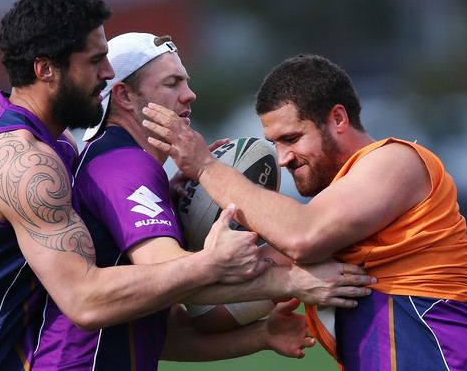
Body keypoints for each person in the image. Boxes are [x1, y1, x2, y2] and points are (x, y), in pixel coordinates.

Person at [0, 0, 274, 370]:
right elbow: (86, 301)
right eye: (94, 61)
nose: (107, 73)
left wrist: (168, 196)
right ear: (46, 68)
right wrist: (214, 264)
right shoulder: (24, 161)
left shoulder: (49, 141)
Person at [32, 34, 376, 370]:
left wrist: (261, 336)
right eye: (172, 84)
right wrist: (292, 281)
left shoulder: (129, 164)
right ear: (124, 95)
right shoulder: (123, 165)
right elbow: (173, 272)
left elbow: (164, 335)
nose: (189, 95)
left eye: (186, 82)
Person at [142, 53, 467, 370]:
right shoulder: (329, 230)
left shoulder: (395, 160)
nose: (283, 158)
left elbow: (303, 235)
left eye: (292, 138)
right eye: (275, 143)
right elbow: (209, 314)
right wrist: (175, 225)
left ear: (338, 119)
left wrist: (206, 167)